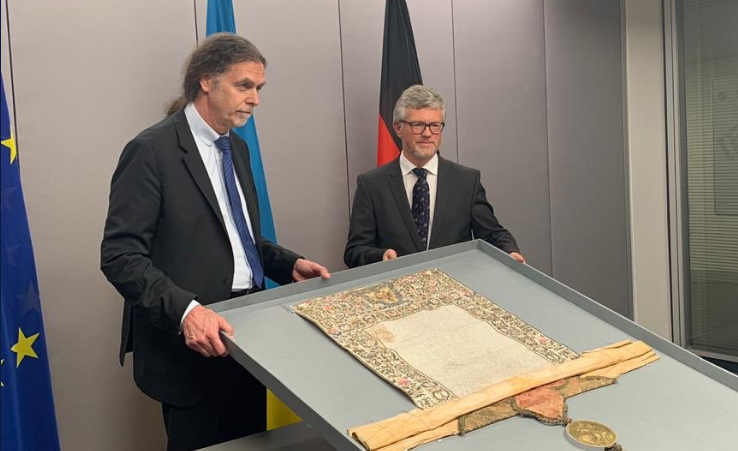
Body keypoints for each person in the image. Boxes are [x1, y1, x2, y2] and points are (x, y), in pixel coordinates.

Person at [100, 33, 330, 451]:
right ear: (207, 80)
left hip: (249, 340)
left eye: (259, 88)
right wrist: (187, 312)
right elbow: (120, 256)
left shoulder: (236, 148)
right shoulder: (151, 150)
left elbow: (237, 240)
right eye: (244, 85)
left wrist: (287, 265)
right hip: (189, 351)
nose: (255, 99)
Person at [344, 85, 525, 268]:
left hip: (454, 283)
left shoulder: (466, 181)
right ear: (398, 128)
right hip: (397, 284)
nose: (427, 134)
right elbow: (355, 251)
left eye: (435, 126)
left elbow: (492, 234)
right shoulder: (371, 184)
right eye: (417, 125)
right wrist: (381, 256)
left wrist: (509, 251)